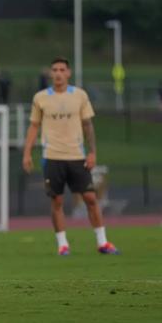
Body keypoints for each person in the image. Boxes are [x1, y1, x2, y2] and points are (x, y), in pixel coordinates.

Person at [22, 57, 119, 256]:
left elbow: (88, 125)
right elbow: (34, 126)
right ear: (51, 73)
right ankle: (63, 245)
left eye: (62, 69)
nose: (58, 73)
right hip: (52, 157)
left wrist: (92, 152)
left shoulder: (80, 95)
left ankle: (102, 242)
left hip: (77, 156)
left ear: (68, 73)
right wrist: (27, 153)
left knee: (90, 198)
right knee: (57, 201)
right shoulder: (41, 98)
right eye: (55, 69)